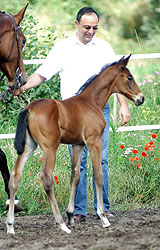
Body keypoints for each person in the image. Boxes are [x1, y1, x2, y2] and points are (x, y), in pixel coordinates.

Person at [16, 7, 130, 222]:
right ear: (76, 24)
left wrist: (123, 105)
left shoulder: (104, 48)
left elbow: (117, 78)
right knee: (78, 163)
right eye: (87, 27)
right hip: (71, 114)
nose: (91, 31)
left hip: (98, 111)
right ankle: (78, 211)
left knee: (102, 160)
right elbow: (42, 74)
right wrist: (22, 88)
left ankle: (102, 208)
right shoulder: (63, 48)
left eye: (95, 27)